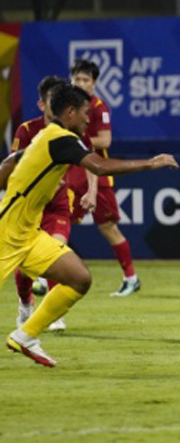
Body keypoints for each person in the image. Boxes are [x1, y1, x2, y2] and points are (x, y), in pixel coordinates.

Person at [2, 84, 178, 367]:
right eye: (85, 113)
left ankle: (26, 335)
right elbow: (100, 166)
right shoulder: (60, 139)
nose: (89, 119)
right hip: (5, 234)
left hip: (28, 236)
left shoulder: (47, 137)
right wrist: (150, 163)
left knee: (79, 278)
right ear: (70, 113)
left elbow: (11, 162)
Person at [12, 75, 90, 333]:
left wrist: (89, 190)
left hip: (56, 204)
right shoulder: (27, 131)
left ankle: (51, 313)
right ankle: (25, 304)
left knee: (57, 250)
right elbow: (13, 166)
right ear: (43, 104)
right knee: (25, 267)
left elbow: (91, 161)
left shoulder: (70, 132)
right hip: (29, 207)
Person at [69, 59, 139, 297]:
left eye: (85, 79)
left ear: (94, 84)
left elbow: (105, 141)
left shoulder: (99, 107)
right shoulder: (67, 106)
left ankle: (131, 278)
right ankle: (43, 278)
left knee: (108, 228)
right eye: (77, 78)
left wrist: (77, 142)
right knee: (55, 222)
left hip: (98, 174)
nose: (80, 83)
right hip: (72, 172)